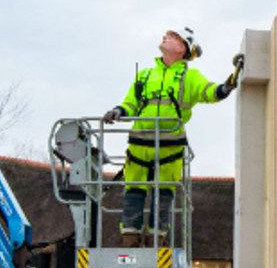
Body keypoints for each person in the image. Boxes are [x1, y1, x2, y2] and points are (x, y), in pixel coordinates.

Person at [102, 28, 242, 246]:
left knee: (163, 194)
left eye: (172, 37)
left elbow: (208, 91)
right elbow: (131, 103)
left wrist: (226, 87)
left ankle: (155, 241)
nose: (164, 37)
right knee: (134, 192)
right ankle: (129, 240)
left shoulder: (190, 76)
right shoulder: (145, 75)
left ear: (181, 48)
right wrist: (119, 111)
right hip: (139, 143)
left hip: (170, 147)